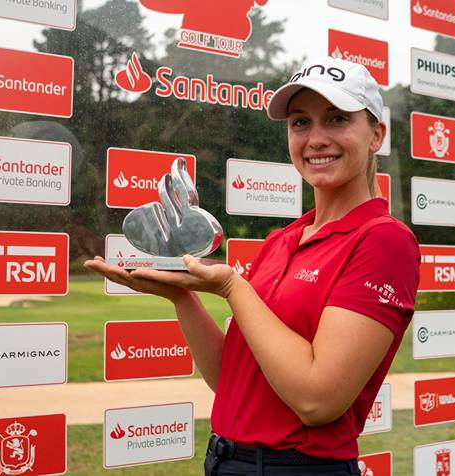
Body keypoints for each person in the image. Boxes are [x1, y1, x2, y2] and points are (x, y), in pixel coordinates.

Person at [85, 57, 420, 476]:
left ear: (376, 135)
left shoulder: (383, 240)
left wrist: (232, 287)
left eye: (336, 119)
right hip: (227, 461)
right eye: (300, 123)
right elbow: (232, 380)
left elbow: (318, 400)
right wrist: (181, 296)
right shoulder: (283, 240)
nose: (315, 138)